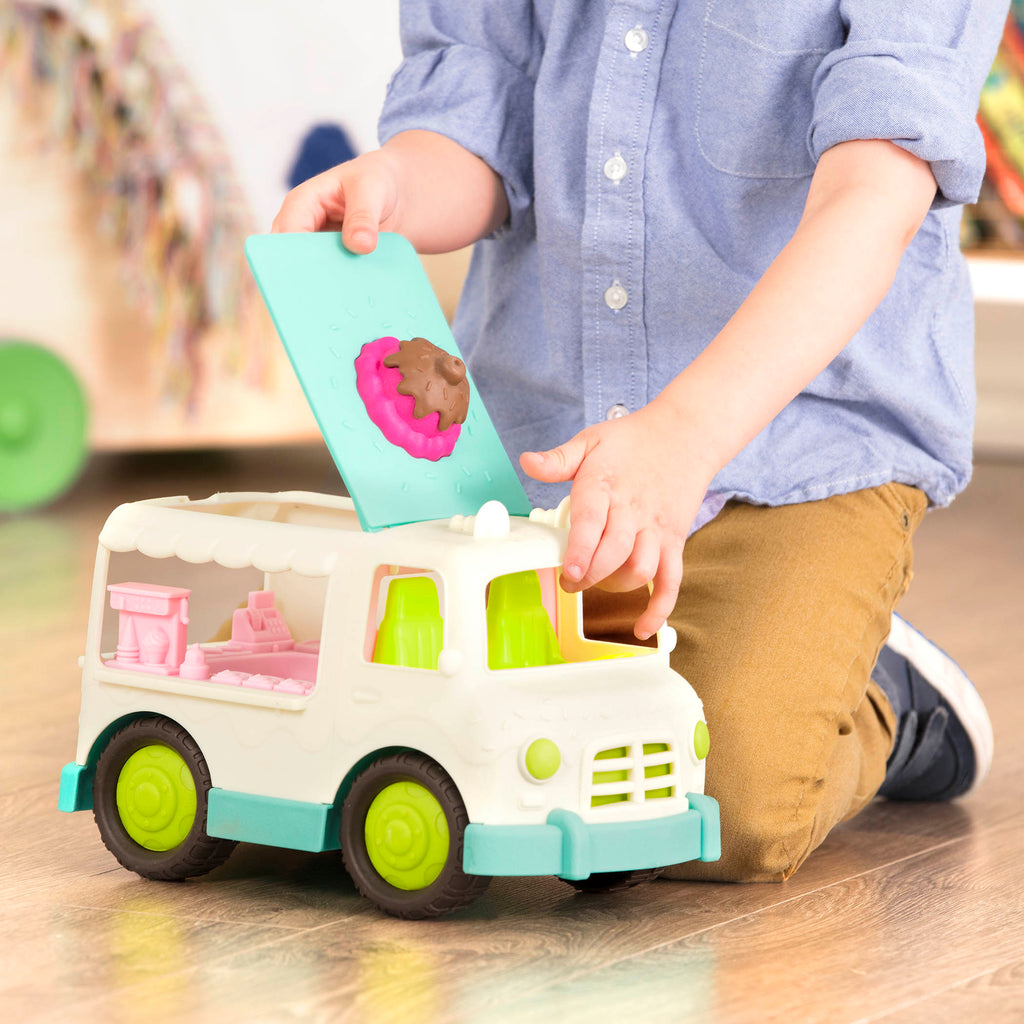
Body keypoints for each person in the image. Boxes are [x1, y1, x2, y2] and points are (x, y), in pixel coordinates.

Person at [272, 1, 1004, 881]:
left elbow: (873, 196)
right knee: (429, 726)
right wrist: (393, 186)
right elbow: (479, 119)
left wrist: (683, 436)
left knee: (714, 803)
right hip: (550, 433)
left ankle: (886, 689)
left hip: (810, 443)